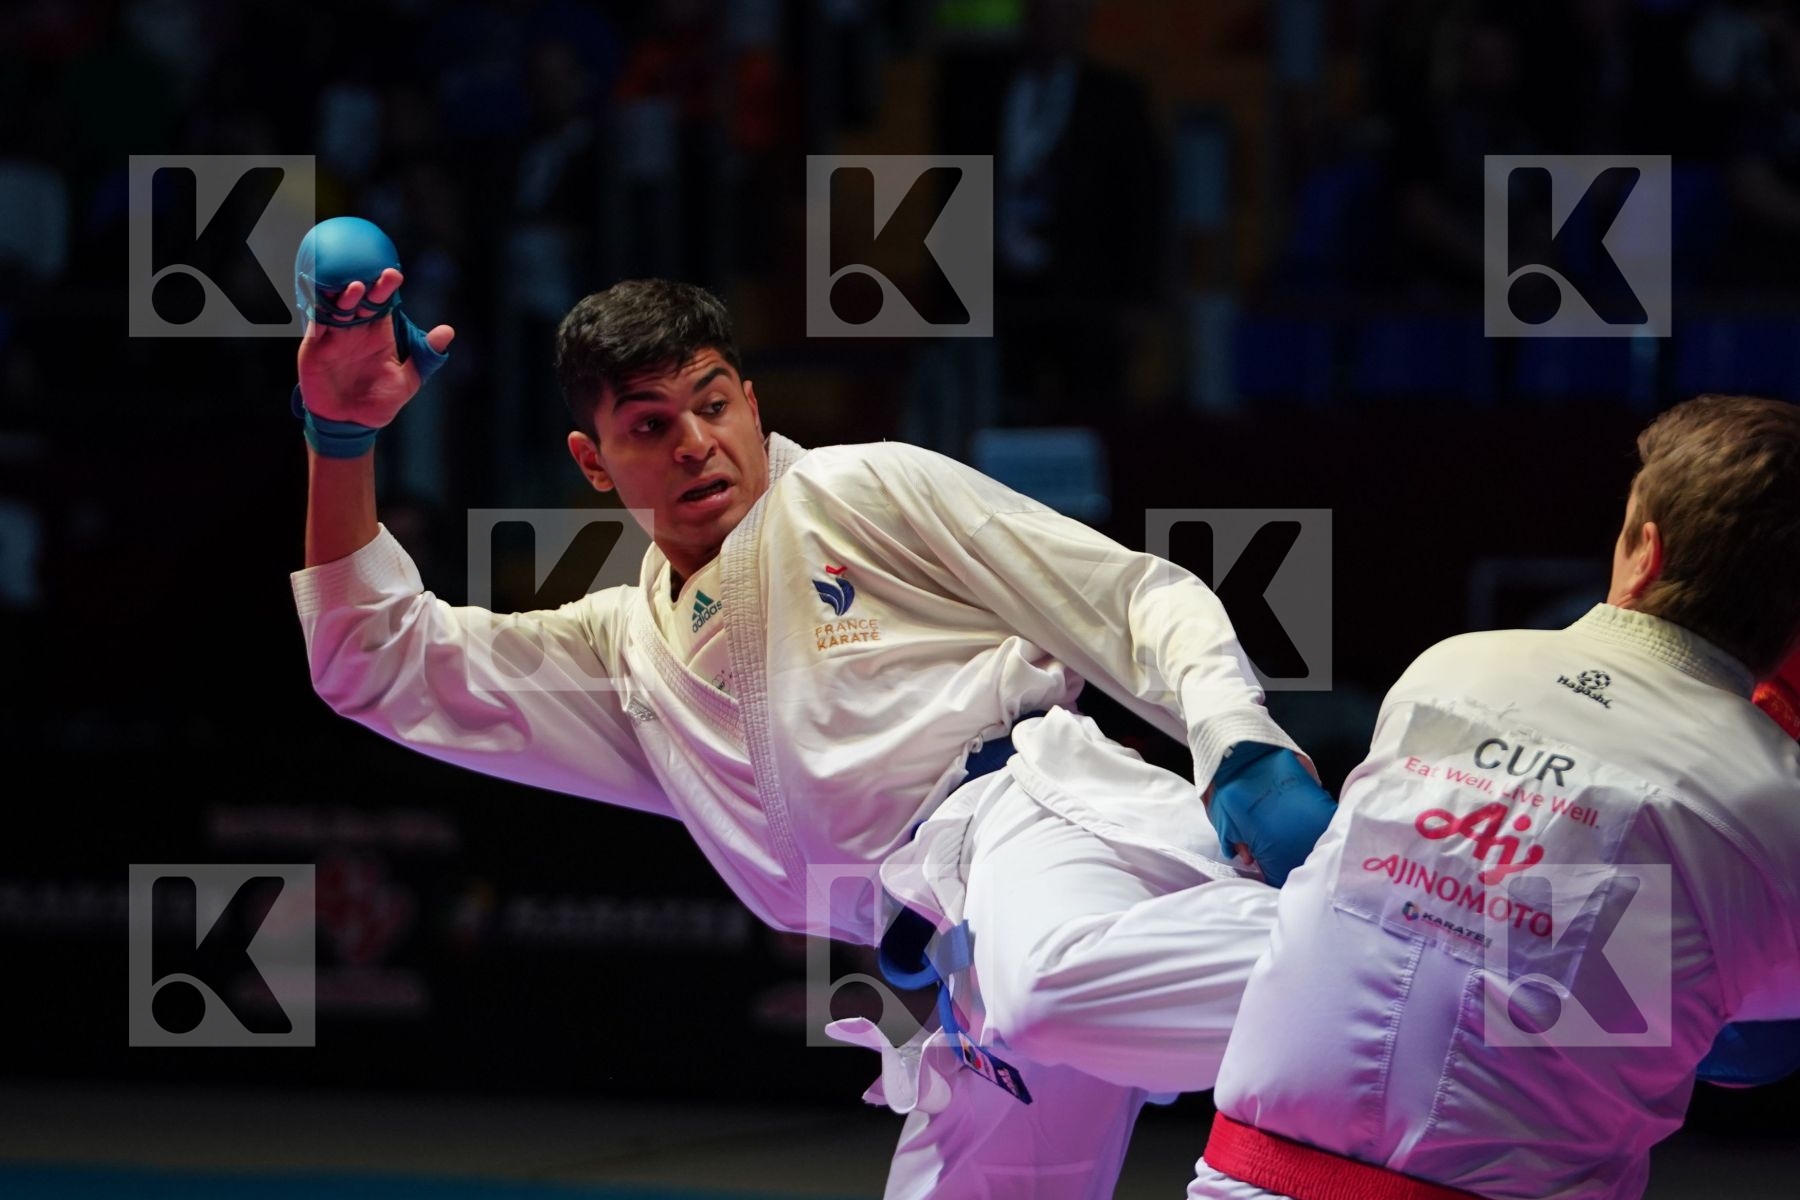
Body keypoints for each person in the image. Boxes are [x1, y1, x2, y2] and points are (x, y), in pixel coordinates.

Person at [289, 254, 1335, 1197]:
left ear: (751, 401)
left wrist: (1238, 740)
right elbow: (375, 664)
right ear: (594, 460)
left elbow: (1132, 597)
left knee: (1053, 988)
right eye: (651, 425)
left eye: (711, 406)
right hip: (950, 955)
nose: (696, 445)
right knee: (1020, 1036)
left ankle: (1416, 939)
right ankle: (1399, 983)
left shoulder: (852, 485)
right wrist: (341, 442)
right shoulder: (623, 654)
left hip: (1031, 818)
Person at [1186, 393, 1800, 1200]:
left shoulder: (1452, 668)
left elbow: (1490, 945)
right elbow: (1749, 1050)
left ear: (1645, 551)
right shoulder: (1774, 805)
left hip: (1241, 1179)